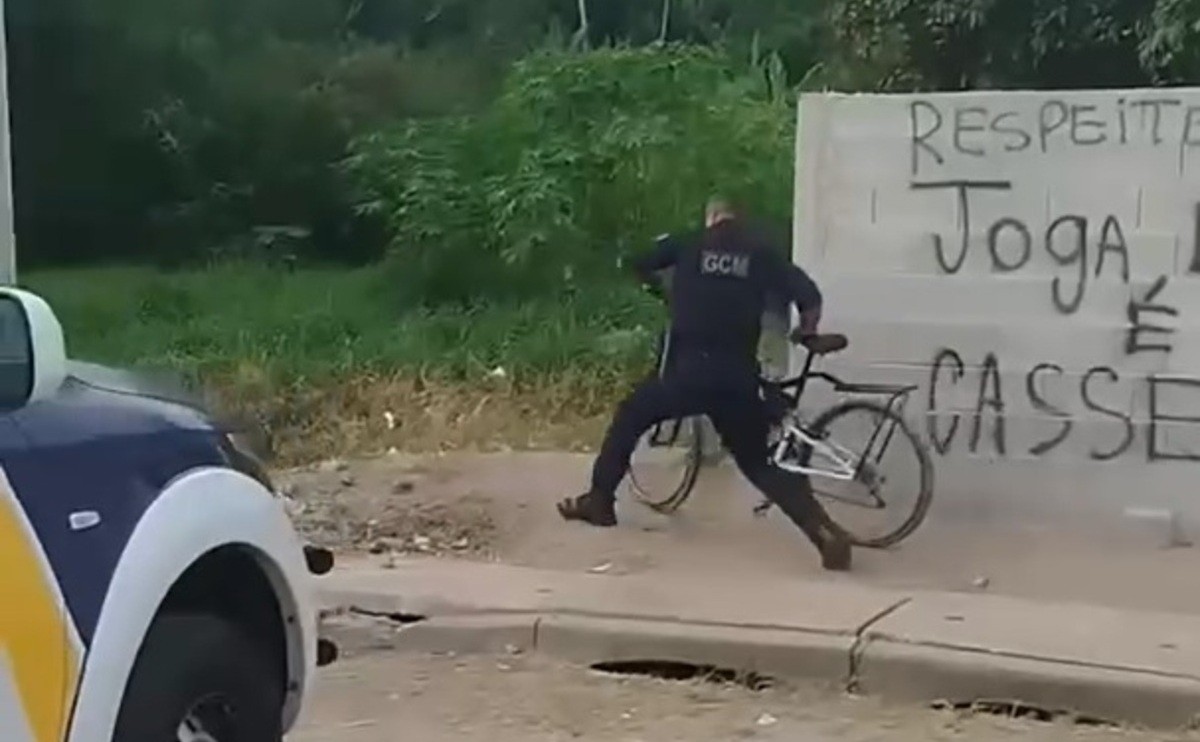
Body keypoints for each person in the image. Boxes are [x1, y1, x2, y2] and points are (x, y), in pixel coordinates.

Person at [556, 196, 853, 571]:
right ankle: (823, 534)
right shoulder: (761, 254)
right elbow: (808, 295)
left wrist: (664, 291)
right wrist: (807, 330)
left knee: (631, 415)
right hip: (737, 379)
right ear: (739, 220)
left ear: (711, 216)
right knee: (757, 462)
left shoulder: (688, 243)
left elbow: (637, 262)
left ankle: (599, 501)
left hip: (687, 374)